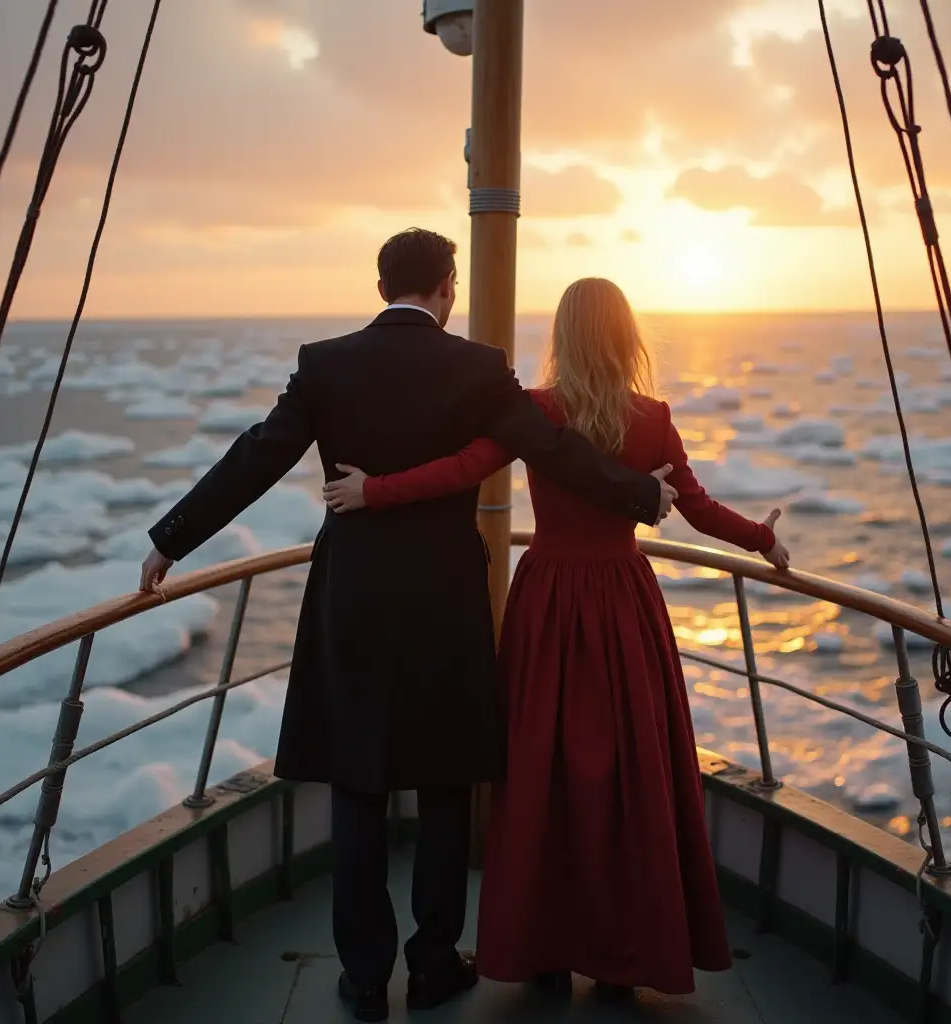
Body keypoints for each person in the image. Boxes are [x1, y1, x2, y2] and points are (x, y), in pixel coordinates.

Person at [138, 233, 677, 1023]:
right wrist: (639, 495)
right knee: (445, 785)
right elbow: (551, 448)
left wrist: (170, 538)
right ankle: (431, 965)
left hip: (352, 598)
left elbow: (256, 457)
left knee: (357, 787)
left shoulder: (324, 363)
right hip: (445, 601)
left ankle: (364, 981)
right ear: (448, 287)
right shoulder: (479, 367)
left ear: (381, 283)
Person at [322, 276, 790, 1000]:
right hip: (623, 606)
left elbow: (460, 472)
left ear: (562, 337)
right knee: (626, 780)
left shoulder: (538, 411)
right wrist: (764, 540)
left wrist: (372, 491)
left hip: (549, 603)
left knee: (543, 775)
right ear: (625, 335)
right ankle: (620, 961)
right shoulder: (653, 418)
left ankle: (542, 952)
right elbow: (696, 509)